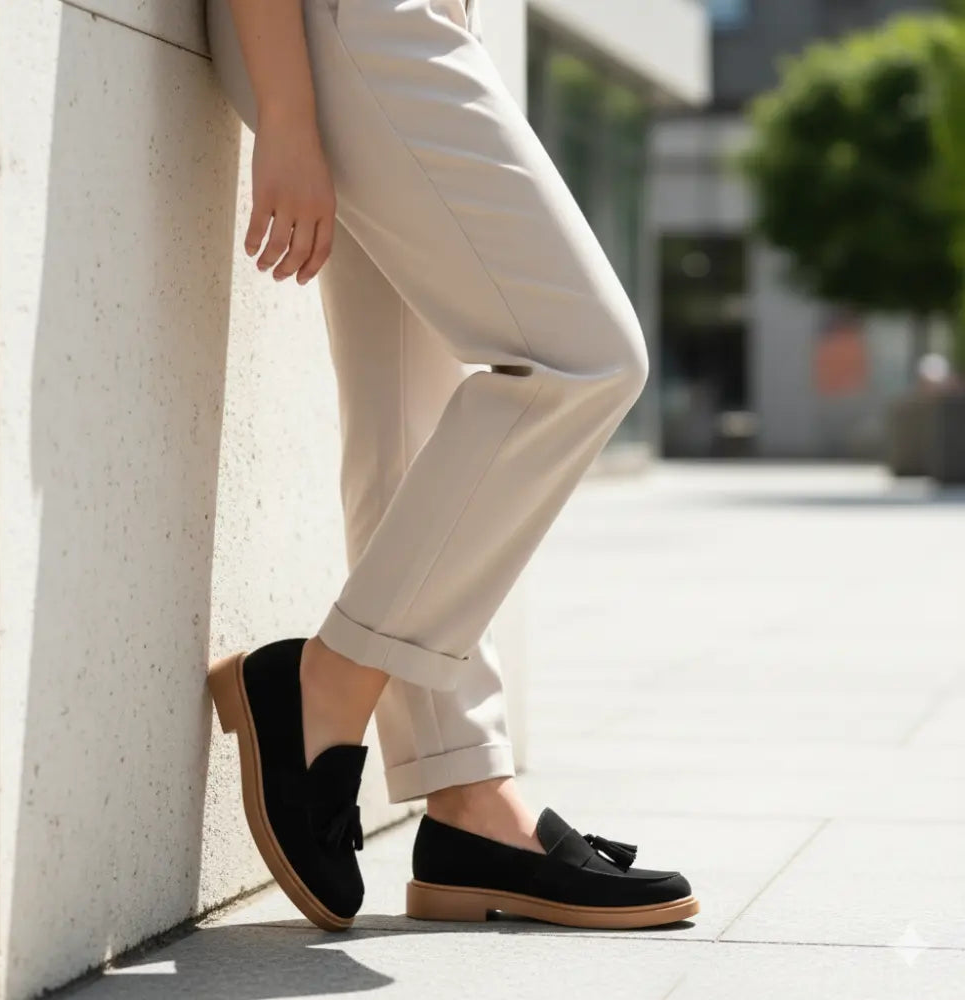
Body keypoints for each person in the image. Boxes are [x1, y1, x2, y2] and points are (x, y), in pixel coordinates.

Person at [203, 0, 699, 932]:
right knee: (588, 357)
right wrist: (287, 107)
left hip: (385, 27)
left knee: (408, 424)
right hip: (354, 23)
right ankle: (324, 682)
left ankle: (467, 796)